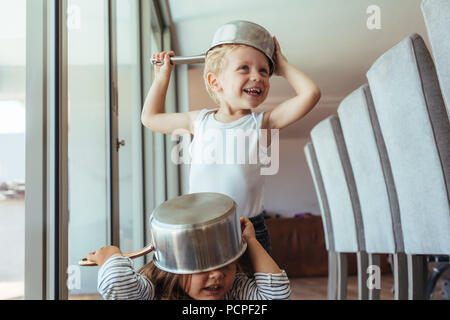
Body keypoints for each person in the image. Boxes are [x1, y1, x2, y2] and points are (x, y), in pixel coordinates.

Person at [141, 34, 321, 254]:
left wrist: (282, 66)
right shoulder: (199, 121)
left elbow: (311, 93)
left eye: (264, 70)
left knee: (256, 288)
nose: (257, 76)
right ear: (215, 82)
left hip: (248, 231)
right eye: (244, 68)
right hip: (202, 227)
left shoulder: (264, 123)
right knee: (209, 287)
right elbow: (150, 118)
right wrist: (161, 77)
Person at [86, 217, 291, 300]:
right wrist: (111, 255)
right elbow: (116, 284)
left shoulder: (235, 291)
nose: (217, 274)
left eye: (226, 265)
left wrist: (250, 241)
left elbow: (277, 296)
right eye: (203, 266)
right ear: (174, 266)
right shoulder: (153, 292)